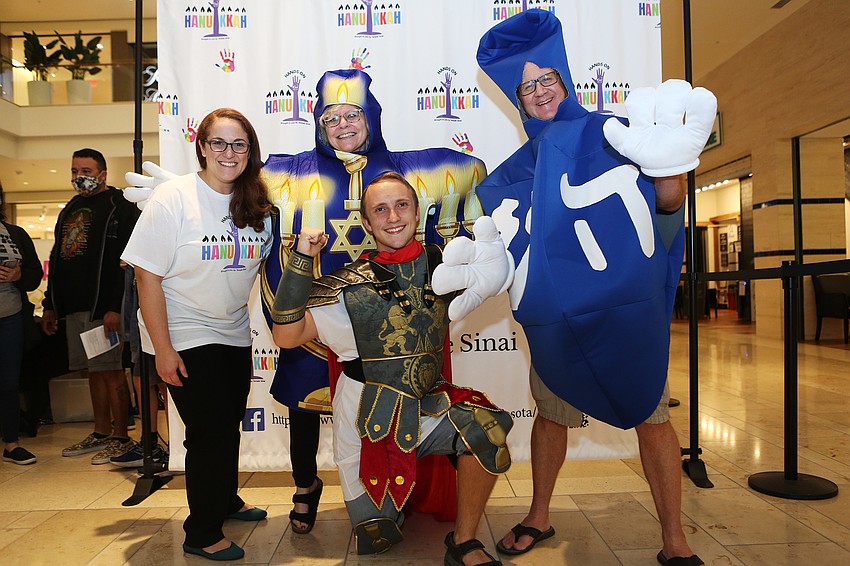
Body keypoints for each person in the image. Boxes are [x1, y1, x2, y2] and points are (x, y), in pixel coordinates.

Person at [472, 11, 716, 566]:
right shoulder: (517, 171)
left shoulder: (614, 133)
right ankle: (539, 514)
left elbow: (668, 204)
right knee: (551, 409)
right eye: (527, 87)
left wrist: (671, 164)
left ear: (565, 80)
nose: (539, 93)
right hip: (560, 322)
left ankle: (674, 538)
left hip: (625, 315)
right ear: (519, 99)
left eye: (547, 81)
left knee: (651, 416)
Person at [260, 68, 486, 533]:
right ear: (318, 126)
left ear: (372, 117)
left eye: (352, 114)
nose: (342, 125)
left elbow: (469, 175)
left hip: (393, 319)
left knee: (408, 402)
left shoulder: (406, 169)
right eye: (330, 118)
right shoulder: (289, 172)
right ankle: (305, 486)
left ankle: (401, 491)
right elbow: (236, 187)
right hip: (325, 312)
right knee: (302, 400)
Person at [271, 172, 513, 565]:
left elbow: (493, 273)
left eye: (402, 205)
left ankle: (465, 542)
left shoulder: (444, 264)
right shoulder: (345, 286)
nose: (393, 216)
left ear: (417, 213)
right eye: (380, 209)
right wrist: (301, 258)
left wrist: (499, 267)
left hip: (428, 405)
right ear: (366, 223)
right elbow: (286, 335)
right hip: (368, 417)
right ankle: (380, 511)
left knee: (487, 428)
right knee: (378, 537)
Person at [121, 108, 274, 561]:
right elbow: (145, 276)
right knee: (208, 432)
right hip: (182, 330)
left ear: (251, 152)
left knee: (226, 426)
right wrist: (163, 350)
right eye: (219, 144)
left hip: (233, 331)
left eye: (239, 144)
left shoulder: (256, 203)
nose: (229, 153)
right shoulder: (173, 198)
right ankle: (202, 531)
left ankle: (225, 500)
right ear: (202, 147)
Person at [41, 148, 139, 465]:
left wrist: (114, 306)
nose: (78, 175)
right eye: (74, 169)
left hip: (103, 308)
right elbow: (57, 258)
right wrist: (50, 305)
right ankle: (100, 431)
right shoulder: (70, 208)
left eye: (85, 169)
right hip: (74, 307)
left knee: (111, 370)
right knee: (93, 373)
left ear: (102, 173)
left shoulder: (119, 206)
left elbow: (125, 262)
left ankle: (121, 435)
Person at [1, 181, 44, 465]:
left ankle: (11, 442)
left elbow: (34, 274)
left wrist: (18, 277)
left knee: (8, 382)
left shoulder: (14, 234)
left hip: (10, 318)